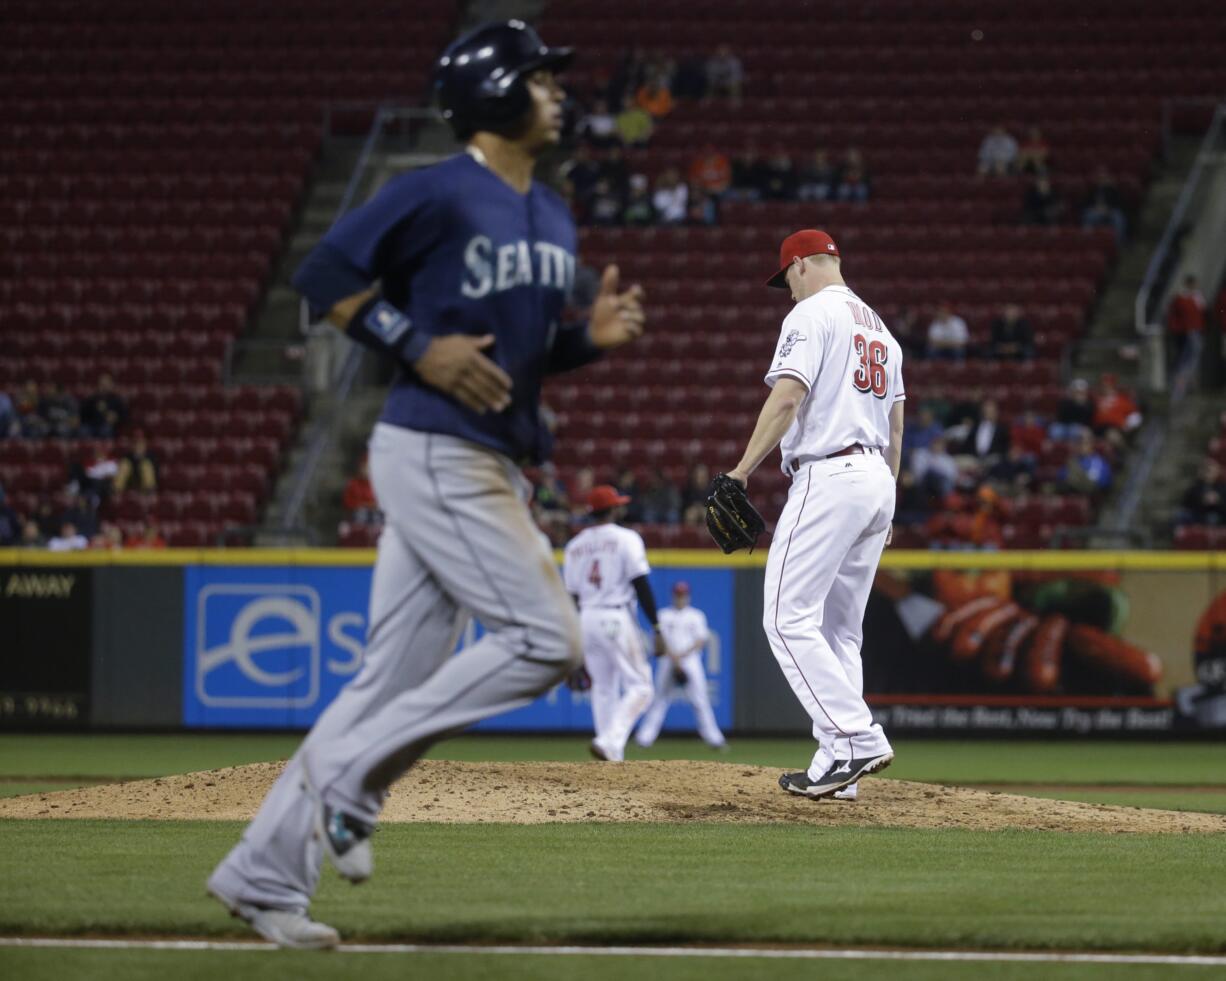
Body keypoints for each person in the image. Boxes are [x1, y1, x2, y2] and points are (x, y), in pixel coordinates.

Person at [207, 21, 648, 950]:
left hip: (484, 453)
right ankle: (354, 775)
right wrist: (414, 344)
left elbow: (515, 357)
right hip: (436, 448)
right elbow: (322, 272)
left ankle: (262, 873)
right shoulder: (436, 190)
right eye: (539, 78)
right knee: (543, 638)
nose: (558, 91)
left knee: (387, 679)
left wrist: (584, 341)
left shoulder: (554, 211)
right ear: (493, 93)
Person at [723, 229, 902, 800]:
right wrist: (888, 498)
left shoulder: (811, 314)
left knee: (784, 617)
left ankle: (856, 738)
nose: (787, 292)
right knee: (839, 633)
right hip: (876, 477)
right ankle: (837, 768)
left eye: (786, 280)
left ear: (801, 265)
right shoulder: (883, 331)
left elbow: (787, 396)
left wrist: (741, 470)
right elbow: (896, 427)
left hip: (830, 474)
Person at [563, 484, 661, 761]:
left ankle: (611, 755)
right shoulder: (626, 538)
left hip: (586, 618)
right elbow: (640, 584)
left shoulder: (575, 546)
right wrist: (656, 626)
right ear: (614, 509)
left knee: (604, 688)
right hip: (614, 615)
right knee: (642, 687)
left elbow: (570, 598)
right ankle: (609, 739)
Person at [635, 581, 727, 751]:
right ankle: (644, 739)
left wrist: (681, 657)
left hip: (690, 659)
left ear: (688, 596)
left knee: (700, 701)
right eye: (678, 594)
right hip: (668, 659)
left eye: (683, 594)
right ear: (673, 596)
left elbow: (700, 641)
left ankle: (715, 740)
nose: (680, 598)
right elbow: (659, 640)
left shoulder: (696, 615)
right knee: (659, 700)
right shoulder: (663, 615)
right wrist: (675, 658)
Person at [1167, 274, 1206, 371]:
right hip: (1183, 330)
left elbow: (1203, 311)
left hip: (1196, 329)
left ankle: (1190, 376)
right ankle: (1180, 374)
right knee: (1183, 355)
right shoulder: (1180, 297)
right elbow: (1175, 313)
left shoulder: (1197, 296)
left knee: (1194, 354)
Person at [1178, 459, 1226, 526]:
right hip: (1197, 513)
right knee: (1181, 514)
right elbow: (1186, 503)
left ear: (1217, 472)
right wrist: (1202, 500)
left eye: (1210, 471)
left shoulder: (1222, 487)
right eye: (1205, 470)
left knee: (1212, 518)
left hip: (1215, 515)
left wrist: (1218, 501)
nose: (1208, 474)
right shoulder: (1195, 487)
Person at [79, 373, 128, 438]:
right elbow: (83, 414)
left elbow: (124, 416)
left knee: (106, 430)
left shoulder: (117, 400)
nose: (104, 387)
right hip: (92, 425)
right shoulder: (92, 398)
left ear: (111, 385)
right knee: (83, 430)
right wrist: (89, 399)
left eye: (106, 384)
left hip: (107, 426)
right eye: (102, 384)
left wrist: (116, 418)